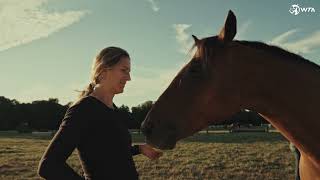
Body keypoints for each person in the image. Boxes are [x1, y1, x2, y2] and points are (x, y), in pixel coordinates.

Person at [38, 47, 163, 180]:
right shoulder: (84, 109)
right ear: (103, 71)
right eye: (124, 70)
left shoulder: (113, 109)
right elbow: (49, 166)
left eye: (129, 72)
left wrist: (139, 149)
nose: (129, 78)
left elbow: (109, 151)